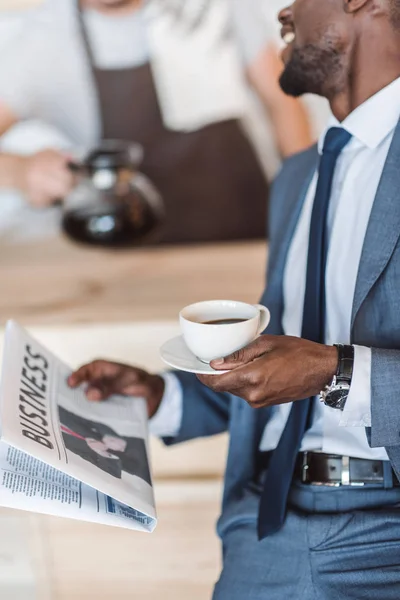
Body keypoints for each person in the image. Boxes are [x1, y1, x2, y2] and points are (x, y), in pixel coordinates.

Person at [68, 0, 400, 596]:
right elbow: (284, 378)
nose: (283, 10)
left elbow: (316, 375)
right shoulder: (299, 177)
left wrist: (335, 371)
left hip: (386, 537)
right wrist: (163, 398)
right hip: (261, 527)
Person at [0, 0, 312, 244]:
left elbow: (280, 99)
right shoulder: (40, 42)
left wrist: (306, 201)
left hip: (246, 233)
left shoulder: (213, 6)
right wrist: (19, 171)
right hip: (127, 259)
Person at [59, 405, 152, 484]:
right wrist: (103, 451)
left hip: (139, 452)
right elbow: (113, 475)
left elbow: (90, 423)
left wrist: (108, 436)